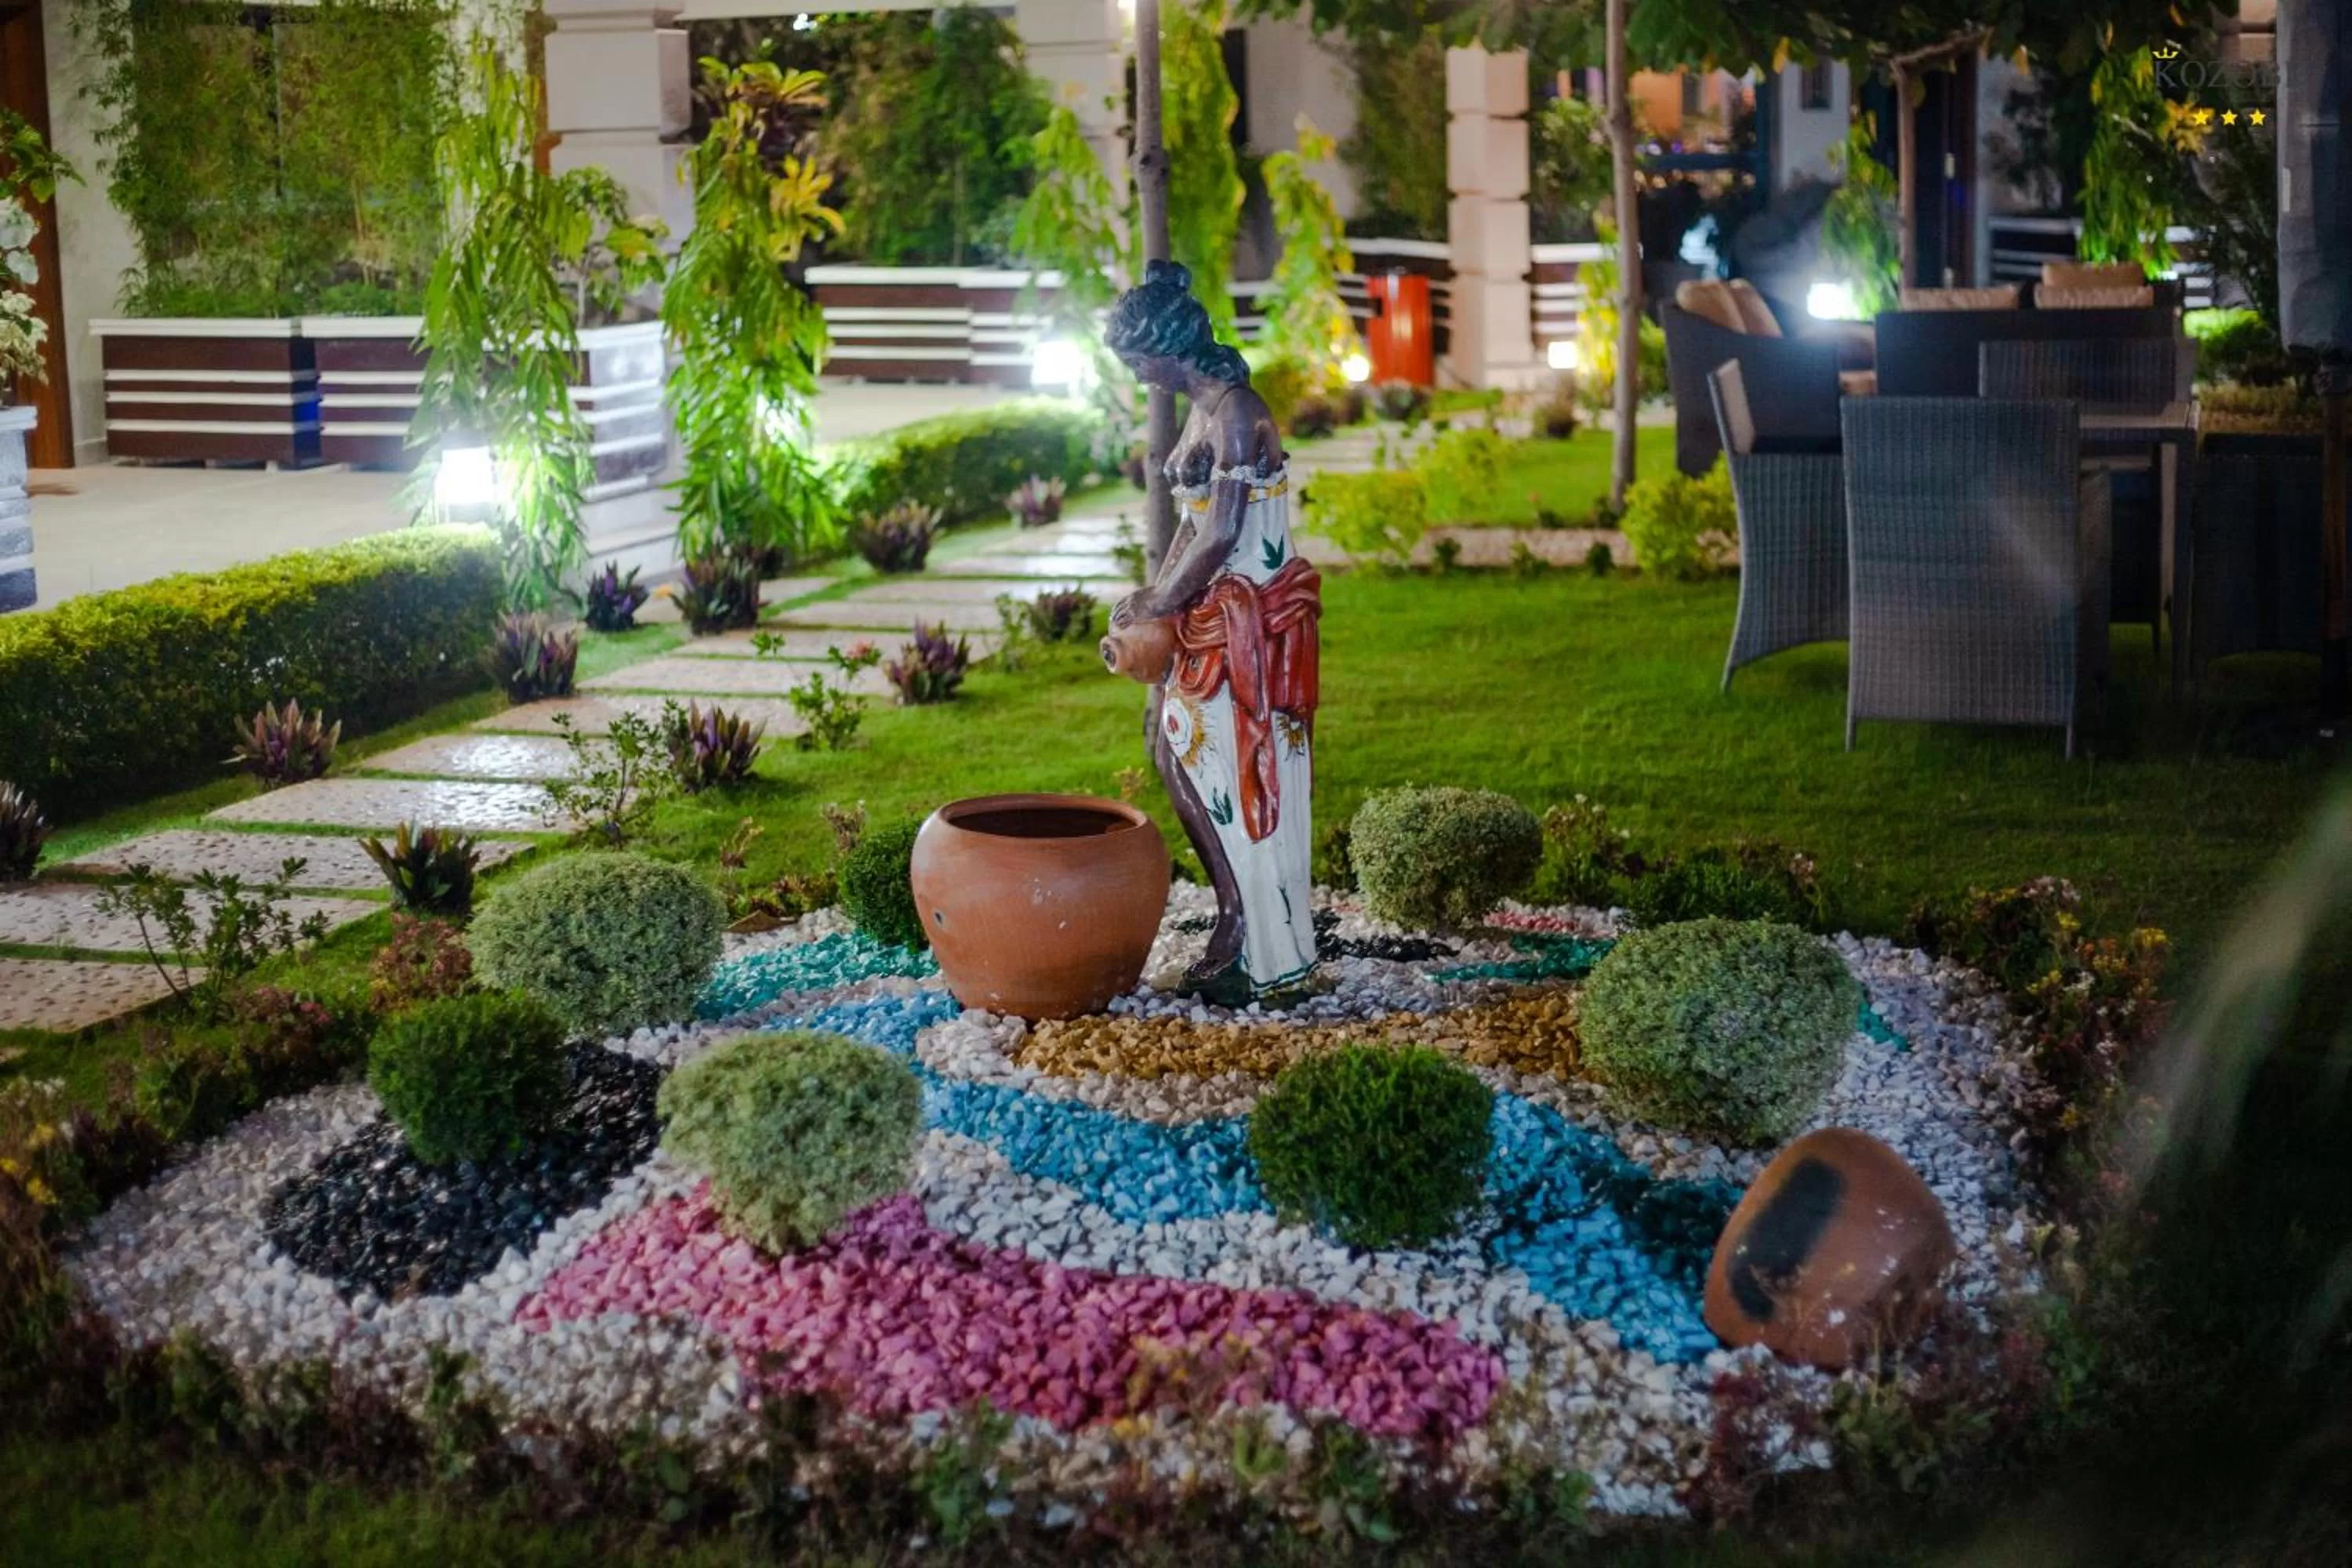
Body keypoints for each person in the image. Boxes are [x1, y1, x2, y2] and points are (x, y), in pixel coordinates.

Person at [1102, 260, 1322, 1000]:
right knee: (1173, 750)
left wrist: (1164, 595)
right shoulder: (1202, 407)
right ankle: (1236, 911)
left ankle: (1261, 939)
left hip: (1248, 616)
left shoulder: (1234, 409)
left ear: (1165, 347)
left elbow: (1226, 528)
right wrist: (1153, 599)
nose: (1138, 377)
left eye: (1137, 362)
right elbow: (1195, 522)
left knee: (1229, 765)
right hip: (1207, 609)